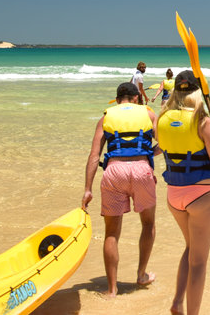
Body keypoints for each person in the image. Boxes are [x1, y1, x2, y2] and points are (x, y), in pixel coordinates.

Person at [155, 71, 210, 315]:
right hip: (201, 195)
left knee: (190, 249)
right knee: (199, 261)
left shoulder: (162, 119)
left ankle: (177, 301)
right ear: (197, 92)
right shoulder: (202, 121)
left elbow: (161, 148)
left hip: (174, 195)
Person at [82, 82, 158, 297]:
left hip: (114, 171)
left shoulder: (106, 118)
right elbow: (166, 144)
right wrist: (148, 154)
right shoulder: (149, 114)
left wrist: (87, 189)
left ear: (117, 100)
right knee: (148, 223)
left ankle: (112, 289)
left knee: (112, 233)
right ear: (136, 98)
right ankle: (141, 275)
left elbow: (94, 156)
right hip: (142, 170)